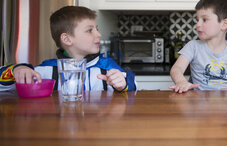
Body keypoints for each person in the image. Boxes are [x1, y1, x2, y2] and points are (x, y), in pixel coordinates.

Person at [0, 6, 136, 92]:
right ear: (67, 39)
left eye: (97, 29)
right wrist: (17, 69)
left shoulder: (108, 67)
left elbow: (134, 86)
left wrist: (123, 84)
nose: (99, 34)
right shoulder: (47, 70)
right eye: (90, 30)